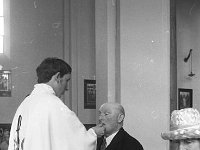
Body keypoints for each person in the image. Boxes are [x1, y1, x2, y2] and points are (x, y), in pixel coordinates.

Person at [8, 57, 104, 150]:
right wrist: (93, 133)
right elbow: (79, 143)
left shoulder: (26, 102)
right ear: (58, 77)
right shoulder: (53, 104)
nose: (66, 87)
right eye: (67, 80)